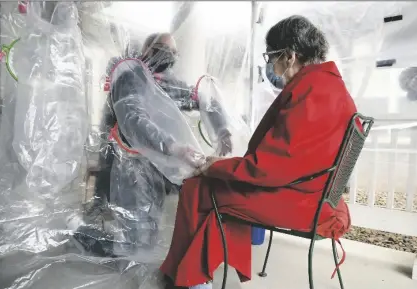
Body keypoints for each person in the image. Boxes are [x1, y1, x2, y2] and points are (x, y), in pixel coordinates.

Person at [160, 15, 355, 289]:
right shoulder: (332, 86)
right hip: (315, 191)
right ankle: (198, 272)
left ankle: (191, 281)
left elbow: (270, 169)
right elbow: (292, 157)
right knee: (213, 188)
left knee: (197, 188)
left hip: (298, 197)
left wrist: (215, 166)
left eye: (271, 56)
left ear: (289, 56)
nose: (270, 65)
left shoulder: (310, 91)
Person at [85, 33, 233, 256]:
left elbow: (206, 100)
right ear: (147, 49)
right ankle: (98, 246)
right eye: (162, 50)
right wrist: (173, 147)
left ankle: (137, 258)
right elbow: (134, 120)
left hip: (155, 163)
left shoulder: (170, 84)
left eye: (173, 53)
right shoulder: (130, 77)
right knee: (132, 223)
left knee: (150, 223)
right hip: (127, 162)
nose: (168, 56)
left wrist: (223, 130)